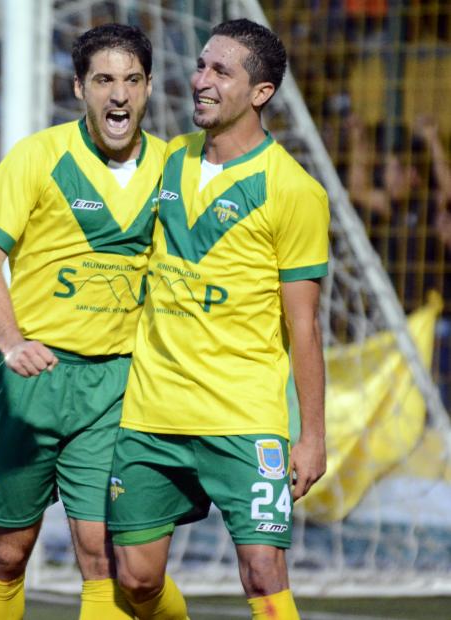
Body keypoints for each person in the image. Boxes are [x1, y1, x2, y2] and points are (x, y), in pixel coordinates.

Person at [0, 23, 187, 620]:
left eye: (132, 80)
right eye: (104, 80)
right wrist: (10, 344)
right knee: (9, 553)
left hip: (116, 384)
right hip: (29, 381)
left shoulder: (174, 168)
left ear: (148, 88)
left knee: (106, 557)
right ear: (78, 89)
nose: (119, 95)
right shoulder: (38, 156)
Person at [108, 18, 330, 620]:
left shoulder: (294, 190)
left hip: (244, 415)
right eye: (201, 65)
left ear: (260, 92)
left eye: (220, 71)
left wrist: (311, 436)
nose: (200, 80)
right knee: (134, 579)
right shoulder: (165, 159)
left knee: (263, 573)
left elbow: (304, 327)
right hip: (153, 410)